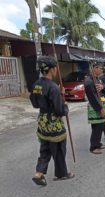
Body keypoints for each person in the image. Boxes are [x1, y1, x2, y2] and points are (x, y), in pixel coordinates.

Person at [29, 56, 74, 186]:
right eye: (56, 68)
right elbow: (59, 110)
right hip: (53, 122)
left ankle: (39, 173)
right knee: (59, 148)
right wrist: (64, 103)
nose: (56, 70)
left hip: (42, 120)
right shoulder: (53, 87)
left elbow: (34, 103)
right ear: (52, 70)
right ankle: (61, 174)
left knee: (45, 147)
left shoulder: (36, 85)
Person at [84, 62, 105, 154]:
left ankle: (97, 143)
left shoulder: (98, 79)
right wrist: (99, 109)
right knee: (97, 126)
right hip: (95, 106)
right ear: (95, 68)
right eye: (100, 68)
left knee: (101, 126)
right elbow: (92, 97)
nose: (102, 70)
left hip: (101, 103)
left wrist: (102, 87)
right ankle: (93, 146)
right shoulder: (89, 81)